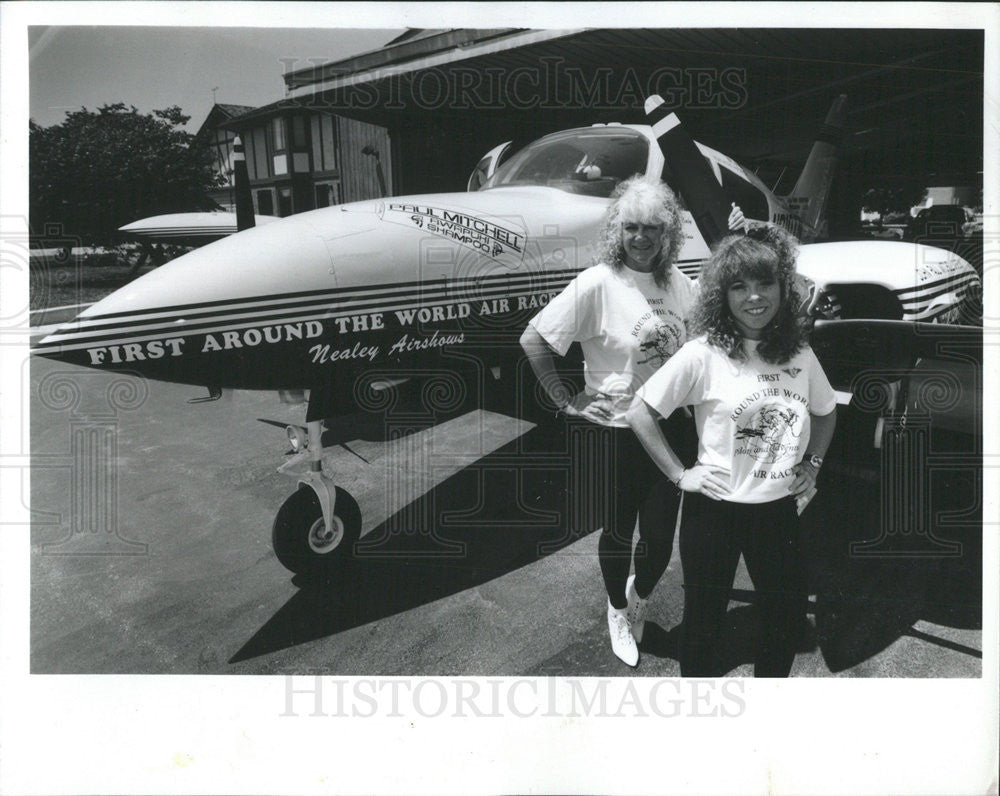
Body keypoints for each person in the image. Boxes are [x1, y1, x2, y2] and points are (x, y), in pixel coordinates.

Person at [520, 175, 745, 666]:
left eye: (652, 229)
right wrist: (567, 399)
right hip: (616, 432)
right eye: (630, 227)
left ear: (669, 235)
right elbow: (534, 340)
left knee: (661, 538)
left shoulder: (675, 282)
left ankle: (639, 596)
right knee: (619, 532)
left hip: (671, 428)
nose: (641, 238)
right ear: (616, 232)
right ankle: (618, 609)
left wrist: (738, 242)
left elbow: (722, 308)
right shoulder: (597, 284)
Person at [626, 224, 836, 677]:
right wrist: (681, 475)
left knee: (783, 623)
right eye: (739, 286)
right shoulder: (703, 353)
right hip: (713, 513)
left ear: (783, 288)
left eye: (765, 284)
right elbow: (640, 413)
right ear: (722, 294)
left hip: (779, 511)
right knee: (701, 627)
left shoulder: (799, 353)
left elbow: (825, 411)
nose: (753, 297)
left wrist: (813, 464)